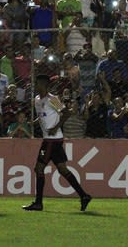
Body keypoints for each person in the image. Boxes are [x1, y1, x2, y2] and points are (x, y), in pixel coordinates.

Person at [23, 74, 92, 211]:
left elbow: (66, 113)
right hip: (52, 139)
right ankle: (84, 195)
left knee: (39, 168)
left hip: (52, 140)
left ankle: (38, 203)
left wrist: (55, 127)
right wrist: (35, 122)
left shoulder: (52, 99)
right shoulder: (37, 100)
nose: (35, 85)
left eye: (37, 83)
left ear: (43, 85)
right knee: (62, 168)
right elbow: (44, 116)